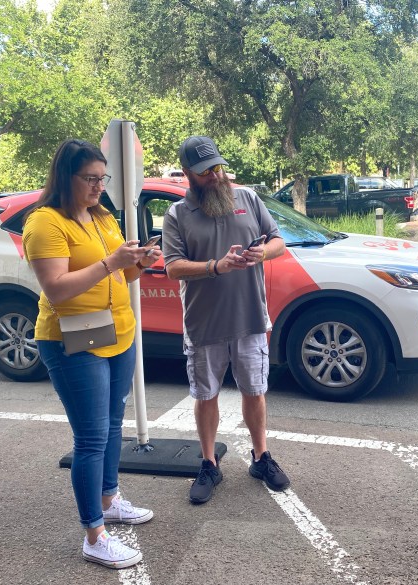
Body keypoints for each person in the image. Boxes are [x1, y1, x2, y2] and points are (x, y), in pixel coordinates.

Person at [22, 139, 162, 569]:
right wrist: (110, 262)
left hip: (117, 331)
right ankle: (94, 535)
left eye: (103, 179)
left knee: (113, 420)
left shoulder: (101, 216)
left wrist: (140, 261)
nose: (100, 187)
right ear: (67, 177)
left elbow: (125, 272)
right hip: (70, 338)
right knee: (91, 437)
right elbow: (57, 287)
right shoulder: (44, 223)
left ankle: (110, 497)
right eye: (91, 179)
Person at [162, 135, 291, 505]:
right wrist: (215, 266)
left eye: (218, 167)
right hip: (204, 323)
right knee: (206, 395)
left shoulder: (247, 198)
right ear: (187, 173)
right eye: (205, 172)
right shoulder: (177, 215)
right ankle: (208, 463)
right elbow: (172, 268)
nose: (216, 176)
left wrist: (261, 252)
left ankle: (260, 456)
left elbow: (279, 241)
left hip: (250, 317)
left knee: (255, 390)